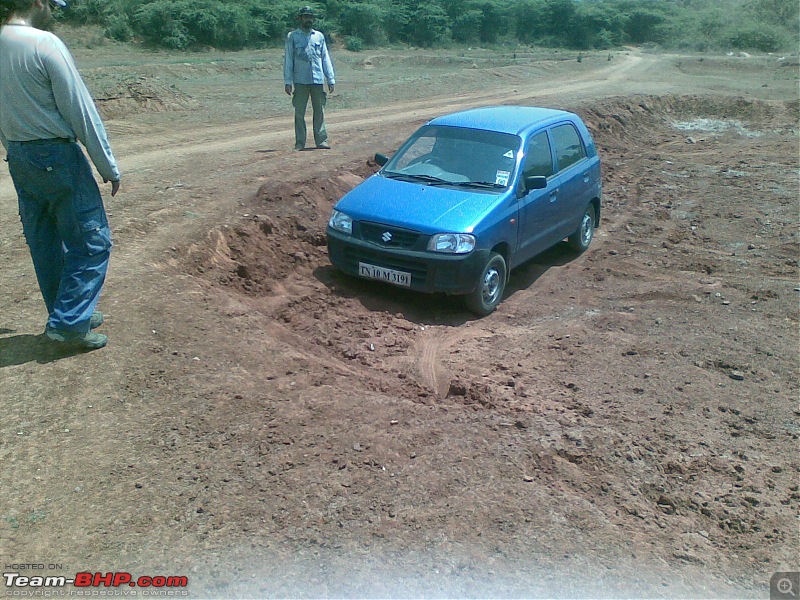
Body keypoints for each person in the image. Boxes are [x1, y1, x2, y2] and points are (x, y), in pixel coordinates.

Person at [0, 0, 121, 350]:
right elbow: (79, 109)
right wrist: (107, 165)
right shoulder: (44, 43)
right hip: (57, 154)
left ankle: (67, 311)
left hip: (20, 156)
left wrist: (13, 145)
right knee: (91, 242)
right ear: (38, 2)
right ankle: (68, 326)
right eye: (52, 4)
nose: (53, 10)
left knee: (45, 242)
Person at [283, 5, 335, 151]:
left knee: (319, 111)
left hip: (317, 80)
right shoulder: (292, 36)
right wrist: (288, 81)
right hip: (300, 81)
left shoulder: (319, 36)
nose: (308, 19)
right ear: (300, 19)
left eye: (310, 17)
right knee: (299, 113)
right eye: (305, 17)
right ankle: (300, 143)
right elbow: (288, 60)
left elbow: (325, 58)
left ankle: (321, 141)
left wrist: (330, 79)